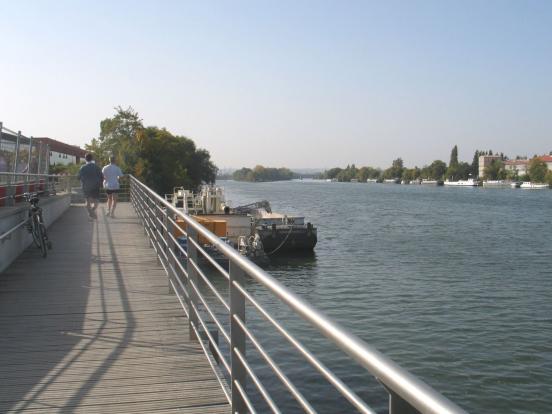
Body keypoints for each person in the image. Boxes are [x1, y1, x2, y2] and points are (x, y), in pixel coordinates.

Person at [78, 153, 103, 220]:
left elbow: (78, 177)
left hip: (86, 187)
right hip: (95, 186)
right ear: (92, 158)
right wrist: (100, 184)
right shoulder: (97, 167)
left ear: (85, 159)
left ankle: (91, 213)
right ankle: (92, 212)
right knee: (96, 202)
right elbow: (101, 177)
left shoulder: (82, 167)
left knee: (88, 201)